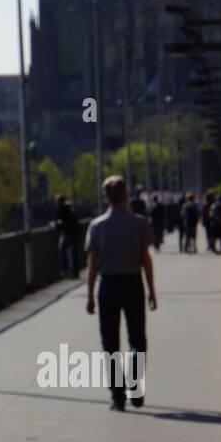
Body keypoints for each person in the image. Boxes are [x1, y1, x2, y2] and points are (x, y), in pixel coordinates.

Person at [85, 176, 157, 412]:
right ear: (126, 195)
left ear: (105, 197)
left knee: (110, 343)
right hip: (133, 284)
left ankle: (118, 396)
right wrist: (152, 290)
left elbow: (92, 264)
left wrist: (90, 295)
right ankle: (136, 390)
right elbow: (146, 260)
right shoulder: (139, 224)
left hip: (108, 286)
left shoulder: (97, 226)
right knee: (137, 339)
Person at [53, 194, 81, 279]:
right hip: (75, 233)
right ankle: (74, 272)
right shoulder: (70, 209)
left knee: (62, 250)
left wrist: (55, 224)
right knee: (73, 254)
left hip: (68, 233)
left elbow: (60, 223)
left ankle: (65, 270)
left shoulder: (61, 210)